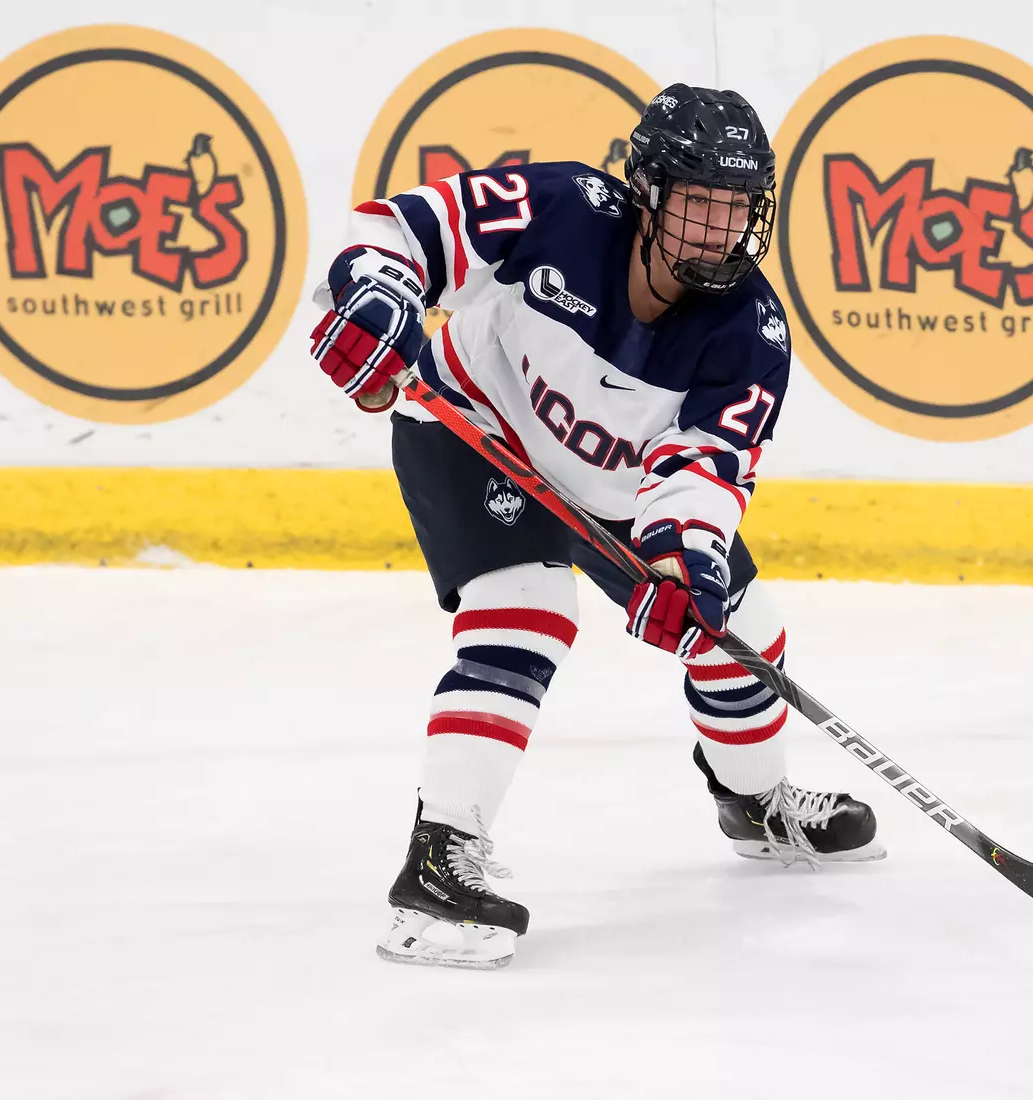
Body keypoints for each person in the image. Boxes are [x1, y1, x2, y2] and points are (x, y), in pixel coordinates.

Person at [308, 85, 884, 970]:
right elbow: (395, 231)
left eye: (737, 210)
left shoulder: (751, 332)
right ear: (646, 192)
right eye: (697, 204)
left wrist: (683, 560)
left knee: (740, 635)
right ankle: (437, 866)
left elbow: (703, 471)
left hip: (611, 486)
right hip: (475, 427)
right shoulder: (565, 210)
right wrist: (377, 298)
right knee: (527, 614)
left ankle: (755, 804)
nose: (717, 231)